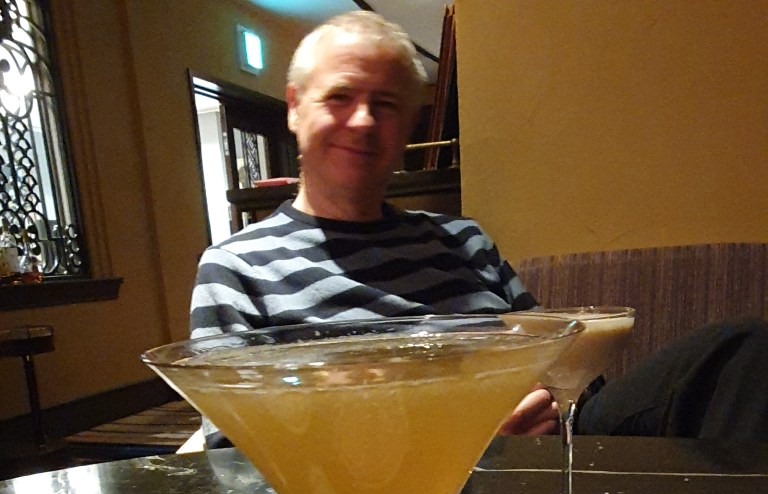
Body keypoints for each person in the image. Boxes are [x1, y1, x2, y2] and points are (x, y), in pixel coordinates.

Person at [188, 11, 768, 448]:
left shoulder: (463, 240)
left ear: (408, 125)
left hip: (551, 451)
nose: (363, 121)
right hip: (385, 487)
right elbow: (232, 460)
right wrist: (459, 443)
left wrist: (553, 401)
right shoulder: (237, 268)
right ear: (294, 107)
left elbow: (564, 362)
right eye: (340, 97)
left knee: (740, 350)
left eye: (386, 104)